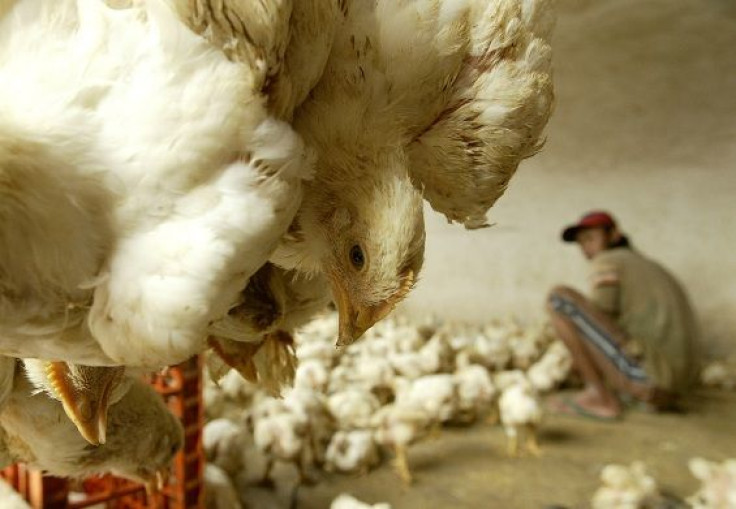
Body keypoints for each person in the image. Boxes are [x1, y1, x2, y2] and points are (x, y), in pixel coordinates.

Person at [547, 211, 700, 419]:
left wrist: (577, 360)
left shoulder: (608, 261)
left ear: (614, 235)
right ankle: (630, 393)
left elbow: (598, 318)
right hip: (677, 388)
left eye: (591, 238)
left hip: (652, 380)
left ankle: (600, 397)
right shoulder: (650, 265)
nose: (585, 247)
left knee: (559, 299)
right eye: (581, 242)